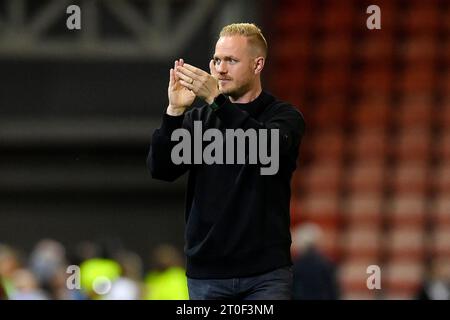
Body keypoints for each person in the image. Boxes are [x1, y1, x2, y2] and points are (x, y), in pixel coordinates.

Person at [147, 23, 305, 299]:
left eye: (231, 60)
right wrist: (173, 113)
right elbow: (161, 169)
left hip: (265, 275)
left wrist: (216, 100)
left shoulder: (283, 116)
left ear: (258, 65)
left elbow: (263, 148)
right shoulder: (199, 120)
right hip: (207, 275)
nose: (220, 69)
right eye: (217, 60)